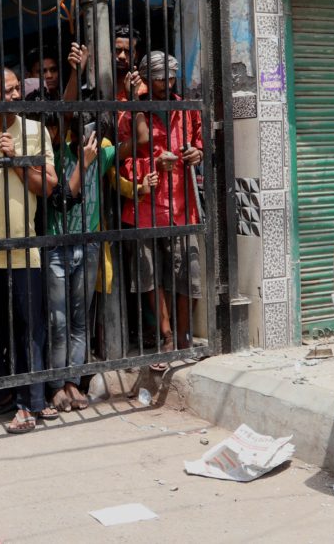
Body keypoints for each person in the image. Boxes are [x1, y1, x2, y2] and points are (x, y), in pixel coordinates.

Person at [0, 65, 58, 432]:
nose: (17, 95)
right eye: (7, 90)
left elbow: (49, 186)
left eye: (18, 88)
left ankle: (29, 404)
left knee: (28, 329)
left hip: (23, 249)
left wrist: (17, 159)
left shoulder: (33, 130)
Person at [45, 112, 154, 411]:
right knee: (58, 320)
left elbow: (142, 139)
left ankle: (73, 382)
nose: (90, 137)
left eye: (94, 132)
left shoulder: (104, 154)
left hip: (89, 244)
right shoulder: (58, 152)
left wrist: (135, 97)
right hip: (56, 244)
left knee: (80, 319)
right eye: (84, 131)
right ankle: (56, 384)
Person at [120, 52, 203, 370]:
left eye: (170, 77)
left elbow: (199, 143)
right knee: (150, 278)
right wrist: (152, 164)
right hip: (145, 207)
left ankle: (184, 339)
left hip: (184, 206)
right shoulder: (131, 113)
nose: (166, 84)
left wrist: (196, 153)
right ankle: (167, 338)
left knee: (188, 276)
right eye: (159, 78)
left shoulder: (186, 109)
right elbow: (121, 160)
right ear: (144, 77)